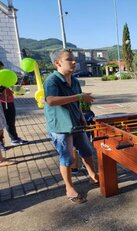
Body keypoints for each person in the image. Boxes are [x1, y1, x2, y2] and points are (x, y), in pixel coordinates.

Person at [44, 49, 98, 204]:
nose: (74, 62)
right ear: (57, 63)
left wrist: (82, 118)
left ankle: (92, 175)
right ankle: (69, 187)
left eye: (74, 59)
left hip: (76, 123)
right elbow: (51, 100)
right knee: (67, 157)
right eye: (69, 59)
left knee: (87, 150)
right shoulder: (52, 80)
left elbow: (77, 103)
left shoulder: (74, 80)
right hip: (60, 126)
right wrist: (79, 96)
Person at [0, 61, 29, 151]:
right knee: (0, 125)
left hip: (9, 101)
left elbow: (13, 87)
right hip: (1, 103)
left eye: (2, 68)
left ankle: (14, 139)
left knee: (10, 121)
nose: (2, 70)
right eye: (0, 68)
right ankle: (1, 143)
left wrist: (21, 91)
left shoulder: (6, 76)